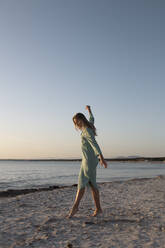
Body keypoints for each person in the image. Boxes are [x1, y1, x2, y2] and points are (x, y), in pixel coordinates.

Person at [68, 105, 107, 218]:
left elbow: (94, 144)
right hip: (88, 160)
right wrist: (90, 111)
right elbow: (92, 119)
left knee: (82, 183)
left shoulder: (87, 131)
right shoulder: (89, 126)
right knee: (92, 184)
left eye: (76, 122)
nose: (76, 125)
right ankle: (98, 209)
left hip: (88, 161)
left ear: (81, 120)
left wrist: (102, 158)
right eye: (75, 123)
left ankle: (75, 207)